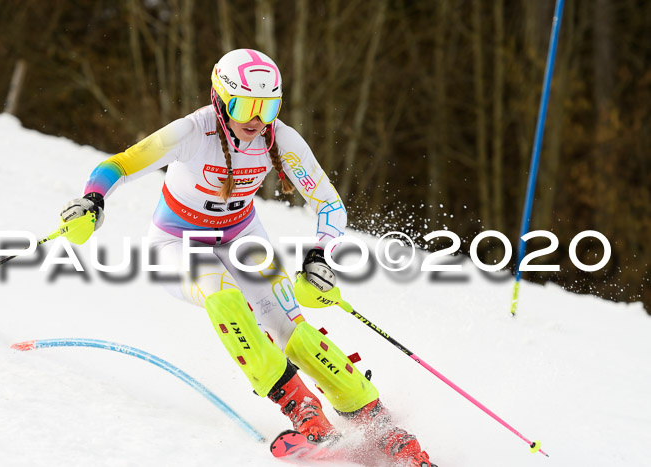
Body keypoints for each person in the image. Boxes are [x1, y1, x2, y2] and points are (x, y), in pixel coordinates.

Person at [60, 49, 434, 467]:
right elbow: (121, 164)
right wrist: (93, 200)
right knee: (224, 297)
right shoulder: (191, 131)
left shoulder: (282, 138)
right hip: (176, 244)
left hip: (242, 237)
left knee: (291, 325)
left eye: (268, 107)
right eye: (245, 106)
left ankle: (373, 418)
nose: (257, 120)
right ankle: (302, 410)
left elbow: (329, 206)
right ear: (220, 98)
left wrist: (317, 256)